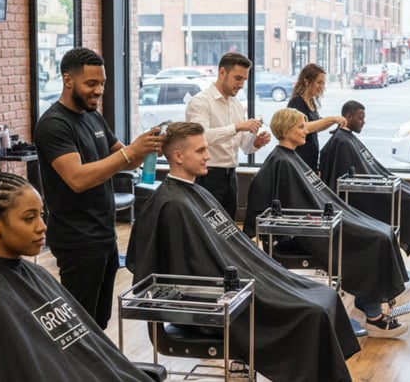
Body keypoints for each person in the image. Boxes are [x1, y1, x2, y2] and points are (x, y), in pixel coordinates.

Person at [127, 122, 360, 381]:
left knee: (324, 294)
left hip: (245, 278)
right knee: (311, 312)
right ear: (178, 156)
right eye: (201, 150)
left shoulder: (193, 193)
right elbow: (189, 269)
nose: (208, 156)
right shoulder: (172, 205)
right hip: (216, 301)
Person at [0, 173, 153, 382]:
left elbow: (90, 352)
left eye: (41, 215)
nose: (42, 226)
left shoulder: (34, 274)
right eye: (29, 218)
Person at [243, 108, 410, 338]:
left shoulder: (290, 157)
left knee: (383, 232)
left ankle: (367, 301)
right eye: (301, 127)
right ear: (285, 130)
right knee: (376, 240)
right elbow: (273, 205)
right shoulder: (281, 163)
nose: (306, 132)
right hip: (311, 232)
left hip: (325, 219)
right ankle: (375, 318)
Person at [33, 47, 164, 329]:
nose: (98, 91)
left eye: (101, 83)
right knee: (81, 325)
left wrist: (147, 148)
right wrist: (130, 154)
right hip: (77, 239)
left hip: (104, 234)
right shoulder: (54, 125)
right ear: (68, 80)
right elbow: (77, 178)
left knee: (100, 321)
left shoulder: (93, 116)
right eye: (91, 84)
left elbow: (124, 160)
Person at [319, 100, 410, 283]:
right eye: (360, 118)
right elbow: (345, 179)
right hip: (365, 197)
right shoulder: (341, 142)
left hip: (374, 188)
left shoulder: (346, 138)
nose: (363, 123)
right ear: (348, 117)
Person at [185, 52, 271, 219]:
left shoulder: (237, 104)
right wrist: (237, 127)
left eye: (244, 80)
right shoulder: (201, 102)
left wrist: (256, 143)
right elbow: (201, 138)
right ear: (222, 72)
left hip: (231, 176)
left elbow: (244, 146)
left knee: (228, 228)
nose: (240, 85)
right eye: (237, 78)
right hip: (207, 176)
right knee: (208, 230)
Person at [286, 63, 346, 173]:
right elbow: (304, 127)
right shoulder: (296, 102)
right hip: (300, 158)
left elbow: (317, 126)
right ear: (306, 80)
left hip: (311, 159)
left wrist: (335, 121)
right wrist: (331, 119)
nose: (321, 86)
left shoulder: (311, 102)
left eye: (323, 83)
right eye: (318, 82)